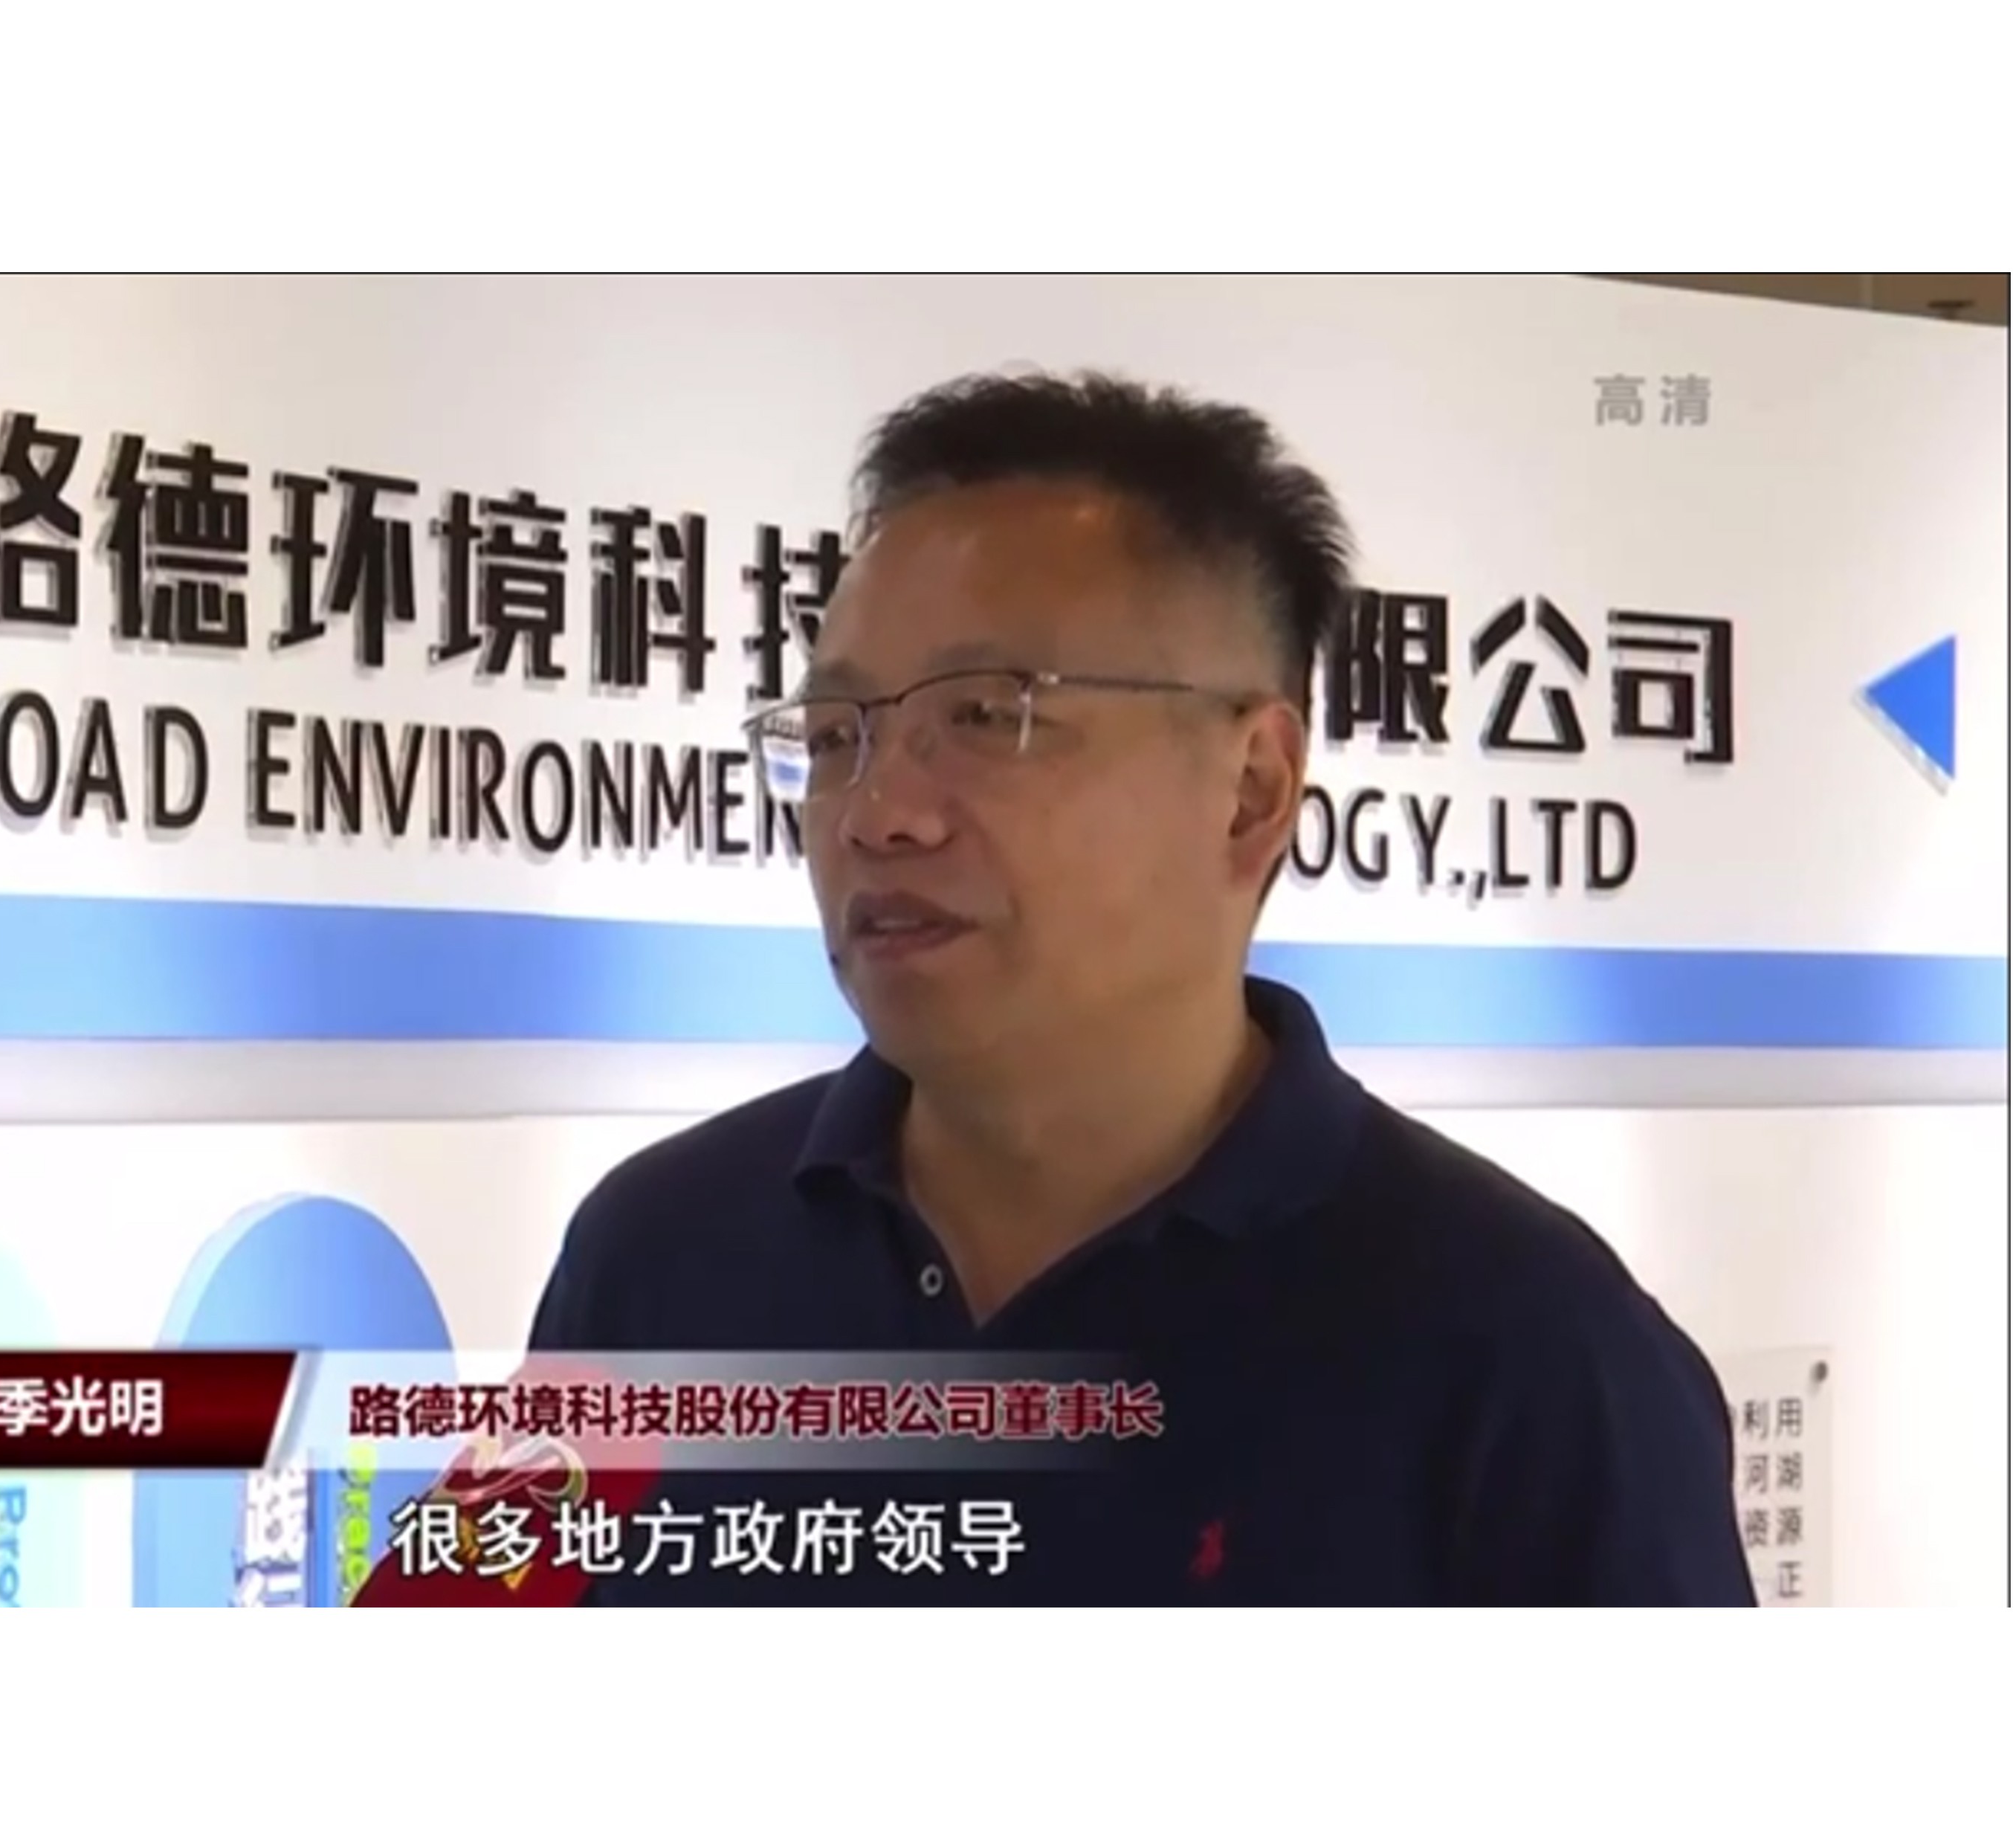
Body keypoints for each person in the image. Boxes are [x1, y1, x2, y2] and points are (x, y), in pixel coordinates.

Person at [527, 370, 1752, 1606]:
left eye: (985, 716)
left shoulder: (1534, 1359)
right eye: (839, 735)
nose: (878, 813)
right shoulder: (652, 1254)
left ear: (1252, 789)